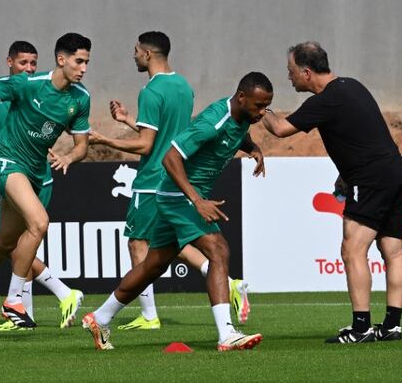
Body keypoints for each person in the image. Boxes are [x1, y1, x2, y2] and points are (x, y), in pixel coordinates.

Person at [83, 72, 271, 352]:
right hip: (178, 196)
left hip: (178, 196)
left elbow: (239, 134)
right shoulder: (213, 121)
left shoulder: (241, 116)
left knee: (152, 266)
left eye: (266, 105)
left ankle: (100, 317)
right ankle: (226, 334)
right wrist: (197, 200)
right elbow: (170, 157)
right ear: (242, 98)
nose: (262, 112)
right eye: (258, 106)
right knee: (218, 250)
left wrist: (253, 148)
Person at [261, 42, 402, 343]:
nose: (289, 78)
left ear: (306, 72)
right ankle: (392, 325)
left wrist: (256, 107)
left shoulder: (325, 101)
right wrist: (346, 174)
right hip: (395, 172)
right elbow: (362, 134)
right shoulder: (352, 86)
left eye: (291, 72)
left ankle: (361, 328)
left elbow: (279, 128)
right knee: (392, 250)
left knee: (352, 250)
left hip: (370, 180)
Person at [0, 33, 92, 332]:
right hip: (5, 163)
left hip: (34, 173)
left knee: (5, 243)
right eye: (79, 61)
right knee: (39, 223)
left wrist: (70, 157)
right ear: (62, 59)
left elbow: (82, 144)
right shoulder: (27, 84)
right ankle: (14, 300)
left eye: (87, 62)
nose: (83, 68)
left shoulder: (81, 98)